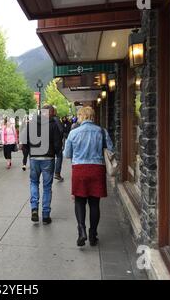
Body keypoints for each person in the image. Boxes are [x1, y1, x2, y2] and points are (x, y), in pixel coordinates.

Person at [63, 107, 114, 247]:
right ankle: (93, 234)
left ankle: (81, 231)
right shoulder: (101, 131)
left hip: (79, 170)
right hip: (97, 169)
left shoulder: (74, 133)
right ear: (92, 116)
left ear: (81, 116)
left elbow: (67, 154)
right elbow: (111, 149)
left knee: (79, 201)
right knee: (94, 204)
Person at [22, 105, 63, 225]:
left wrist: (30, 151)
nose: (54, 114)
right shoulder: (53, 125)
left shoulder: (31, 124)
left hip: (34, 158)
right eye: (53, 113)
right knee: (47, 187)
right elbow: (57, 144)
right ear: (49, 113)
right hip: (48, 158)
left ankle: (34, 208)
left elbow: (24, 141)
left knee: (34, 183)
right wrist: (55, 153)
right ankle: (45, 215)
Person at [52, 108, 65, 182]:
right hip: (56, 143)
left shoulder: (46, 120)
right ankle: (57, 173)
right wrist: (59, 139)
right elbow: (61, 130)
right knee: (59, 157)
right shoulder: (56, 119)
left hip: (49, 143)